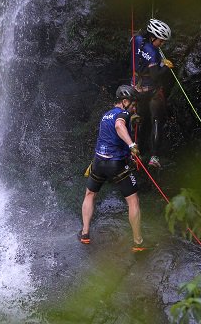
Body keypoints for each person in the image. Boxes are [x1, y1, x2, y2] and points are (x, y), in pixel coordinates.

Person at [79, 85, 147, 251]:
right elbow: (119, 126)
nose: (134, 108)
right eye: (132, 105)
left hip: (98, 162)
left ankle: (85, 234)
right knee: (133, 200)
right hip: (115, 164)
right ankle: (138, 242)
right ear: (124, 102)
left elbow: (113, 130)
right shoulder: (122, 114)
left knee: (90, 194)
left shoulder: (106, 115)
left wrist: (131, 120)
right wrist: (131, 145)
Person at [131, 18, 174, 168]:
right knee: (156, 120)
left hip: (136, 87)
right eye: (161, 41)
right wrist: (166, 66)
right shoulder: (153, 52)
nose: (162, 44)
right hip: (151, 90)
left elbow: (136, 41)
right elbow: (156, 75)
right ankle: (154, 157)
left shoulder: (137, 40)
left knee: (140, 120)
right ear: (153, 37)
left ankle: (137, 153)